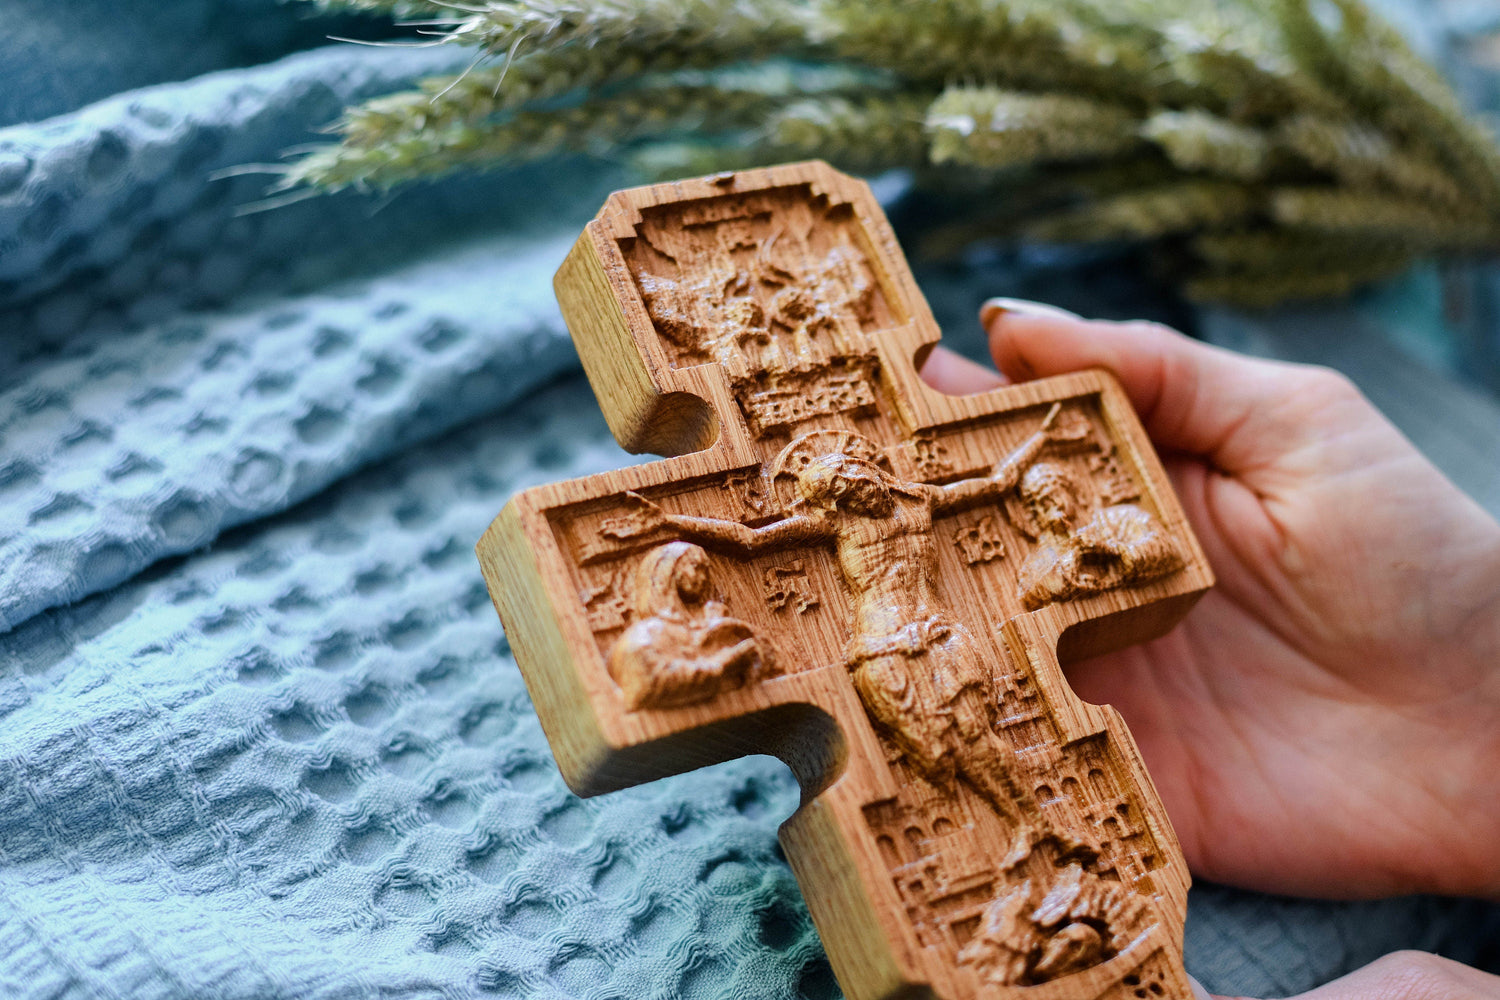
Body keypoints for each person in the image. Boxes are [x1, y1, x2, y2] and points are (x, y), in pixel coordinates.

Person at [915, 297, 1500, 1000]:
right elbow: (1027, 608)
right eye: (1038, 507)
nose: (1051, 511)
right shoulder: (1036, 568)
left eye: (1057, 497)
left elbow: (1156, 554)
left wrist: (1479, 697)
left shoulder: (1121, 521)